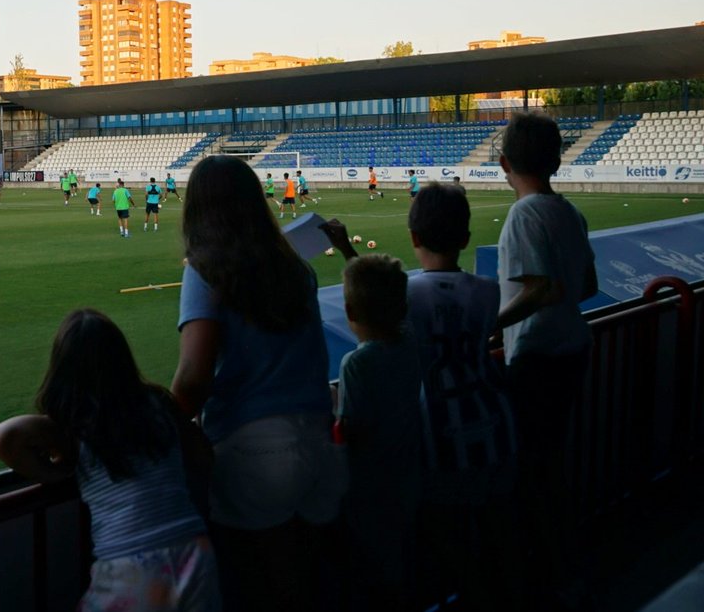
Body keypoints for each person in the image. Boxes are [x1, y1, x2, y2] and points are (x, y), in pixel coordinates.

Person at [173, 155, 344, 610]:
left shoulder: (205, 268)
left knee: (253, 586)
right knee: (305, 581)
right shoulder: (294, 267)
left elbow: (192, 379)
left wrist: (153, 429)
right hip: (318, 444)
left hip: (253, 451)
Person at [0, 309, 221, 612]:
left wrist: (57, 474)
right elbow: (204, 456)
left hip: (130, 563)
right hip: (196, 551)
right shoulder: (158, 403)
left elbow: (5, 436)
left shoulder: (74, 424)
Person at [494, 112, 597, 603]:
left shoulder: (524, 215)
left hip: (537, 358)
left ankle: (544, 576)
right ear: (557, 160)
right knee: (550, 467)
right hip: (572, 348)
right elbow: (586, 285)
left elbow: (542, 289)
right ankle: (564, 568)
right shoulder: (569, 211)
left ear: (503, 162)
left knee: (530, 474)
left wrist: (488, 327)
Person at [407, 183, 519, 609]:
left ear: (414, 238)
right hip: (493, 417)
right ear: (467, 239)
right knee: (497, 527)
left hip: (439, 429)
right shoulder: (488, 290)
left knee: (448, 534)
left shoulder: (407, 294)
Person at [337, 254, 422, 610]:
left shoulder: (357, 363)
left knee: (372, 567)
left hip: (370, 482)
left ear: (350, 312)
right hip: (409, 472)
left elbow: (353, 428)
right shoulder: (411, 343)